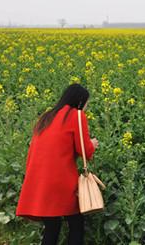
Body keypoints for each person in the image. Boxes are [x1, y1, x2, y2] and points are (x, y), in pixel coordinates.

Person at [15, 83, 99, 245]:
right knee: (76, 223)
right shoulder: (76, 115)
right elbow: (85, 151)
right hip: (61, 181)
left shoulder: (46, 116)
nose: (87, 108)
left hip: (39, 180)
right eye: (87, 103)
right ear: (80, 102)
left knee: (52, 226)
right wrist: (93, 144)